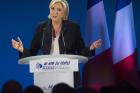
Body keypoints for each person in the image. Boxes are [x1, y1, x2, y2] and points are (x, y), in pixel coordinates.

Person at [11, 0, 101, 87]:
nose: (55, 12)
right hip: (46, 73)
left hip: (68, 73)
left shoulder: (73, 28)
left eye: (59, 10)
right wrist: (21, 49)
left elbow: (81, 51)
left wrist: (91, 48)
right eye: (53, 8)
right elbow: (32, 52)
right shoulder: (41, 28)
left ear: (64, 13)